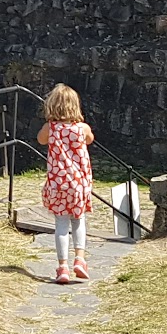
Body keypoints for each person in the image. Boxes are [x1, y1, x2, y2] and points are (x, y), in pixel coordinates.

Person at [37, 83, 95, 285]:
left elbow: (41, 140)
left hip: (58, 184)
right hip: (79, 184)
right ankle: (80, 259)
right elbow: (90, 139)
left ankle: (63, 267)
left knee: (61, 224)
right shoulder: (82, 129)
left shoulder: (50, 128)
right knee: (78, 221)